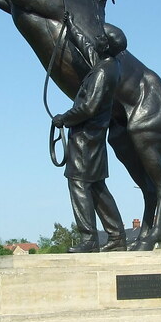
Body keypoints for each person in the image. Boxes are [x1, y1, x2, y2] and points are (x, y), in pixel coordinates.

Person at [52, 16, 126, 252]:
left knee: (79, 184)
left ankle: (89, 240)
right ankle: (116, 237)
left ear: (106, 46)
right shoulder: (108, 64)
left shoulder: (102, 72)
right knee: (96, 187)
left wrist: (64, 118)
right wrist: (72, 26)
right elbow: (87, 46)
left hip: (86, 138)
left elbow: (89, 107)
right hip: (93, 138)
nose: (97, 39)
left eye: (101, 38)